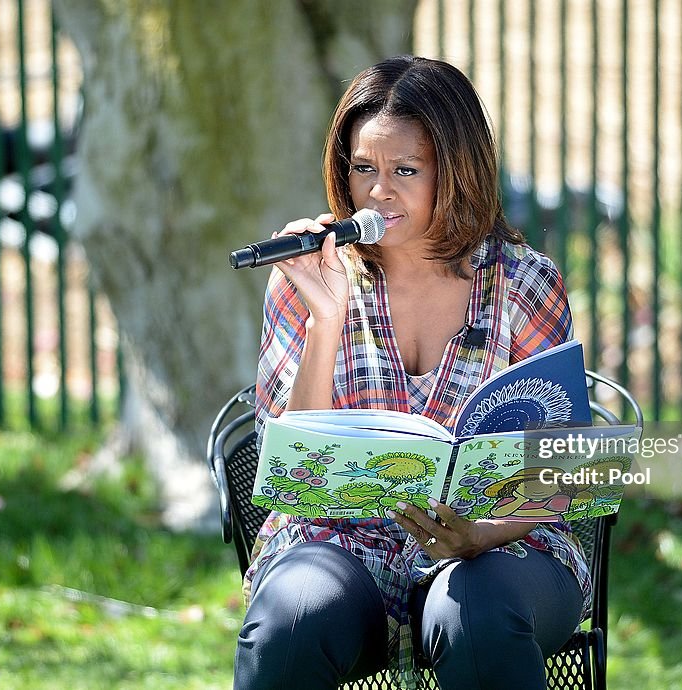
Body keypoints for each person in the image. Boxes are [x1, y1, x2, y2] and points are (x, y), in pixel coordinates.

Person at [233, 55, 590, 690]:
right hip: (338, 545)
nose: (378, 191)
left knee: (476, 612)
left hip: (505, 547)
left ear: (456, 173)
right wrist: (326, 316)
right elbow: (293, 480)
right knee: (292, 619)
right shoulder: (308, 281)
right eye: (363, 168)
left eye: (405, 170)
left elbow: (559, 467)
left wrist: (482, 533)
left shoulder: (523, 283)